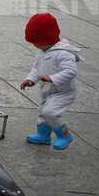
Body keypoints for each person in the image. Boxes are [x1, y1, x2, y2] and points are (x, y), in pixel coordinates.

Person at [20, 13, 80, 150]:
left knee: (51, 112)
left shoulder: (64, 53)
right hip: (48, 89)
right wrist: (30, 79)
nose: (34, 45)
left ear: (46, 38)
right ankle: (43, 135)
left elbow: (71, 71)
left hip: (63, 91)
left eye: (36, 42)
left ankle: (64, 135)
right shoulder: (42, 53)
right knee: (42, 111)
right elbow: (36, 68)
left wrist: (51, 78)